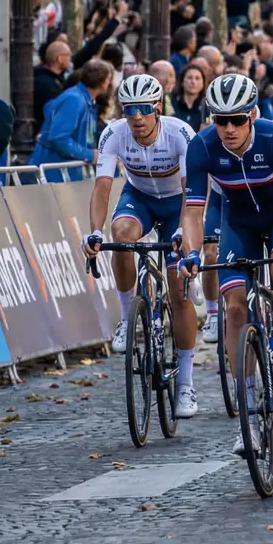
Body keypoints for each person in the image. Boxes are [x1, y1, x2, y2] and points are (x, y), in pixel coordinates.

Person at [178, 74, 273, 453]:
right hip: (237, 222)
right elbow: (192, 212)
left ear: (253, 116)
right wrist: (191, 253)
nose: (228, 128)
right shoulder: (202, 146)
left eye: (237, 119)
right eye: (220, 119)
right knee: (234, 307)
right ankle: (248, 409)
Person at [81, 75, 198, 415]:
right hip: (140, 197)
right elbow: (102, 187)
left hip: (177, 203)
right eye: (129, 109)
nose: (136, 117)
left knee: (178, 290)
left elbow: (191, 191)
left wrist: (184, 231)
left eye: (144, 109)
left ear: (157, 108)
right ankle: (126, 315)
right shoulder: (114, 133)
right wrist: (95, 232)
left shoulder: (179, 133)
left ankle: (186, 384)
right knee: (120, 235)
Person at [31, 58, 114, 182]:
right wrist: (90, 155)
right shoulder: (74, 100)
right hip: (53, 175)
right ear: (103, 82)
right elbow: (59, 138)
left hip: (61, 173)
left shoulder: (81, 99)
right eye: (109, 78)